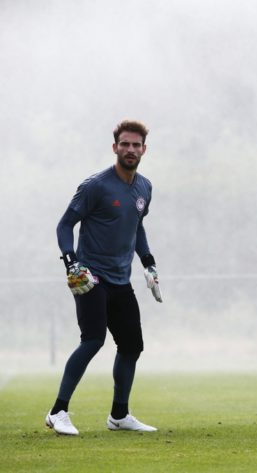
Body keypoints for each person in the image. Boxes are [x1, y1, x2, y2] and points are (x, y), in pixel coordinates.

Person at [45, 120, 162, 436]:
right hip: (91, 277)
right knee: (93, 339)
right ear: (115, 147)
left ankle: (119, 415)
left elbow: (136, 226)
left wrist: (149, 263)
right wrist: (71, 263)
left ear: (144, 150)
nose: (130, 149)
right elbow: (65, 225)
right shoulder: (95, 186)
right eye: (125, 144)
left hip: (121, 280)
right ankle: (57, 411)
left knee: (132, 346)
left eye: (136, 145)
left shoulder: (145, 187)